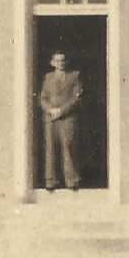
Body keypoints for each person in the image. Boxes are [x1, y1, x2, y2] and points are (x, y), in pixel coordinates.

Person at [38, 52, 84, 189]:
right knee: (50, 148)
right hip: (51, 118)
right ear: (52, 63)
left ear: (67, 62)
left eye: (63, 60)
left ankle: (72, 180)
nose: (60, 63)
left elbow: (76, 98)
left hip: (67, 118)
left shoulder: (74, 76)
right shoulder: (48, 77)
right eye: (57, 61)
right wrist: (50, 110)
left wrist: (61, 111)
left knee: (68, 147)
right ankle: (50, 180)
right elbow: (43, 98)